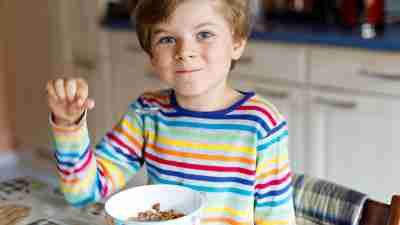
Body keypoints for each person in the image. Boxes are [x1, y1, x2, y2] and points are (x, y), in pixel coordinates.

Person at [45, 0, 296, 224]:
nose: (184, 52)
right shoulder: (147, 113)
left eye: (204, 34)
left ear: (237, 44)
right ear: (152, 56)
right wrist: (69, 125)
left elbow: (277, 220)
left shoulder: (262, 124)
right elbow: (82, 193)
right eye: (166, 39)